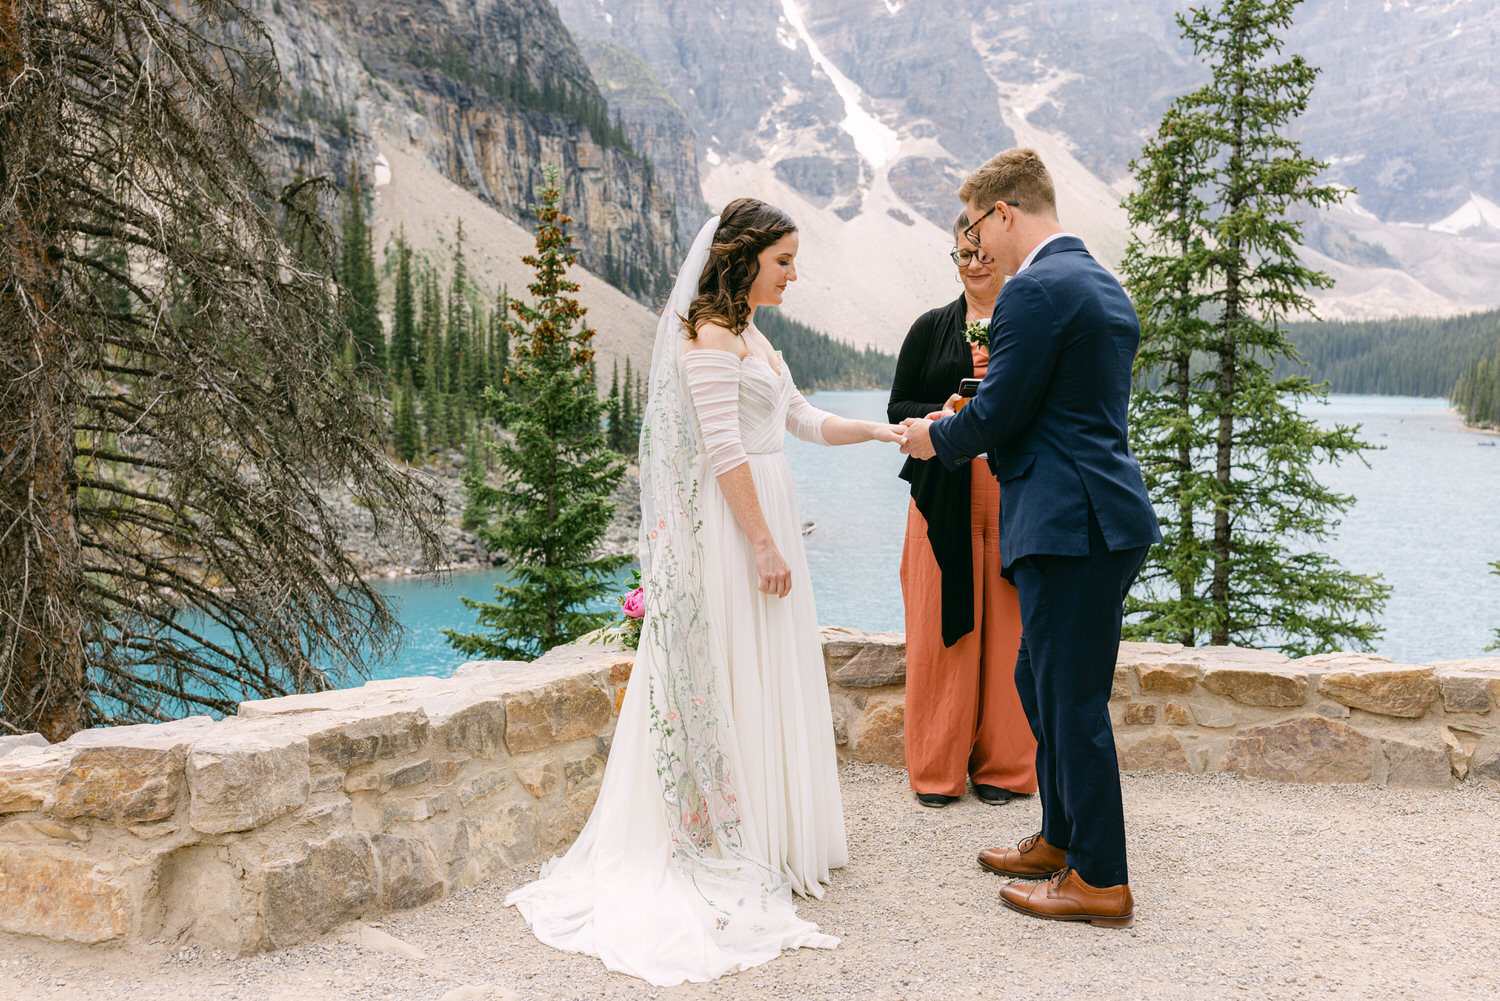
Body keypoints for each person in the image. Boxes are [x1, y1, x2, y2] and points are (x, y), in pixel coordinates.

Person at [506, 198, 904, 984]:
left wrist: (887, 429)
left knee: (769, 668)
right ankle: (722, 840)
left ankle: (770, 836)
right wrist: (760, 541)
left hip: (769, 508)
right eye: (784, 260)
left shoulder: (756, 337)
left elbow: (803, 420)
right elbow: (724, 450)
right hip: (734, 527)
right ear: (744, 256)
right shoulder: (709, 336)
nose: (794, 274)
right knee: (733, 669)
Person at [899, 149, 1161, 928]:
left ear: (1004, 213)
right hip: (1101, 515)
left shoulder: (1034, 292)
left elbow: (1001, 416)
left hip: (1067, 522)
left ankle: (1100, 878)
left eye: (978, 225)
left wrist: (935, 434)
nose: (978, 244)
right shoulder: (1099, 283)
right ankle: (1060, 835)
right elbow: (1061, 404)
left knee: (1071, 699)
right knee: (1038, 682)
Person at [887, 211, 1037, 809]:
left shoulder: (1029, 324)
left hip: (1011, 492)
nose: (973, 262)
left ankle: (1004, 767)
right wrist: (945, 412)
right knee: (937, 630)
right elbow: (898, 403)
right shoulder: (929, 328)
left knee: (1010, 630)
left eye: (981, 250)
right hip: (941, 493)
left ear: (1002, 248)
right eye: (962, 254)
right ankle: (936, 770)